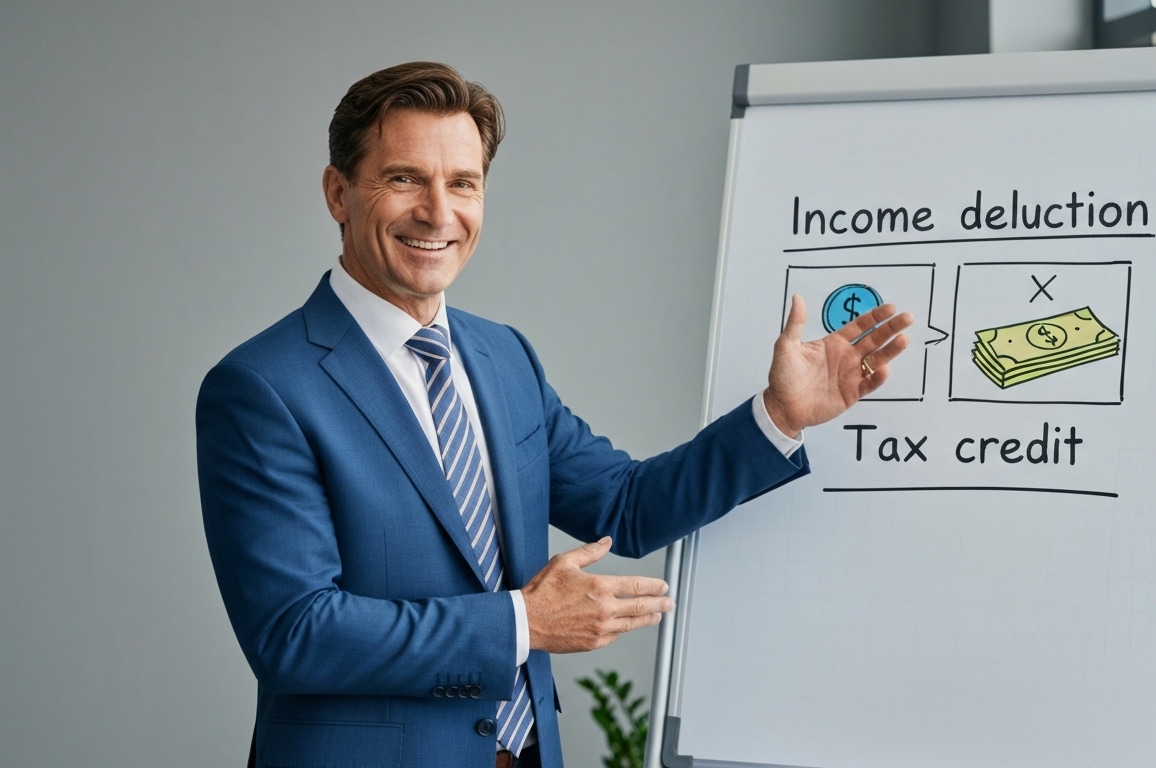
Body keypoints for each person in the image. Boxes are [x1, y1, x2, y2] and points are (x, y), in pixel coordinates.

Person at [196, 61, 912, 768]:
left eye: (463, 183)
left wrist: (779, 416)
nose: (438, 214)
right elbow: (295, 633)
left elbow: (626, 506)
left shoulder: (504, 357)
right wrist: (522, 622)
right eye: (405, 179)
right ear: (338, 192)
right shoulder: (262, 388)